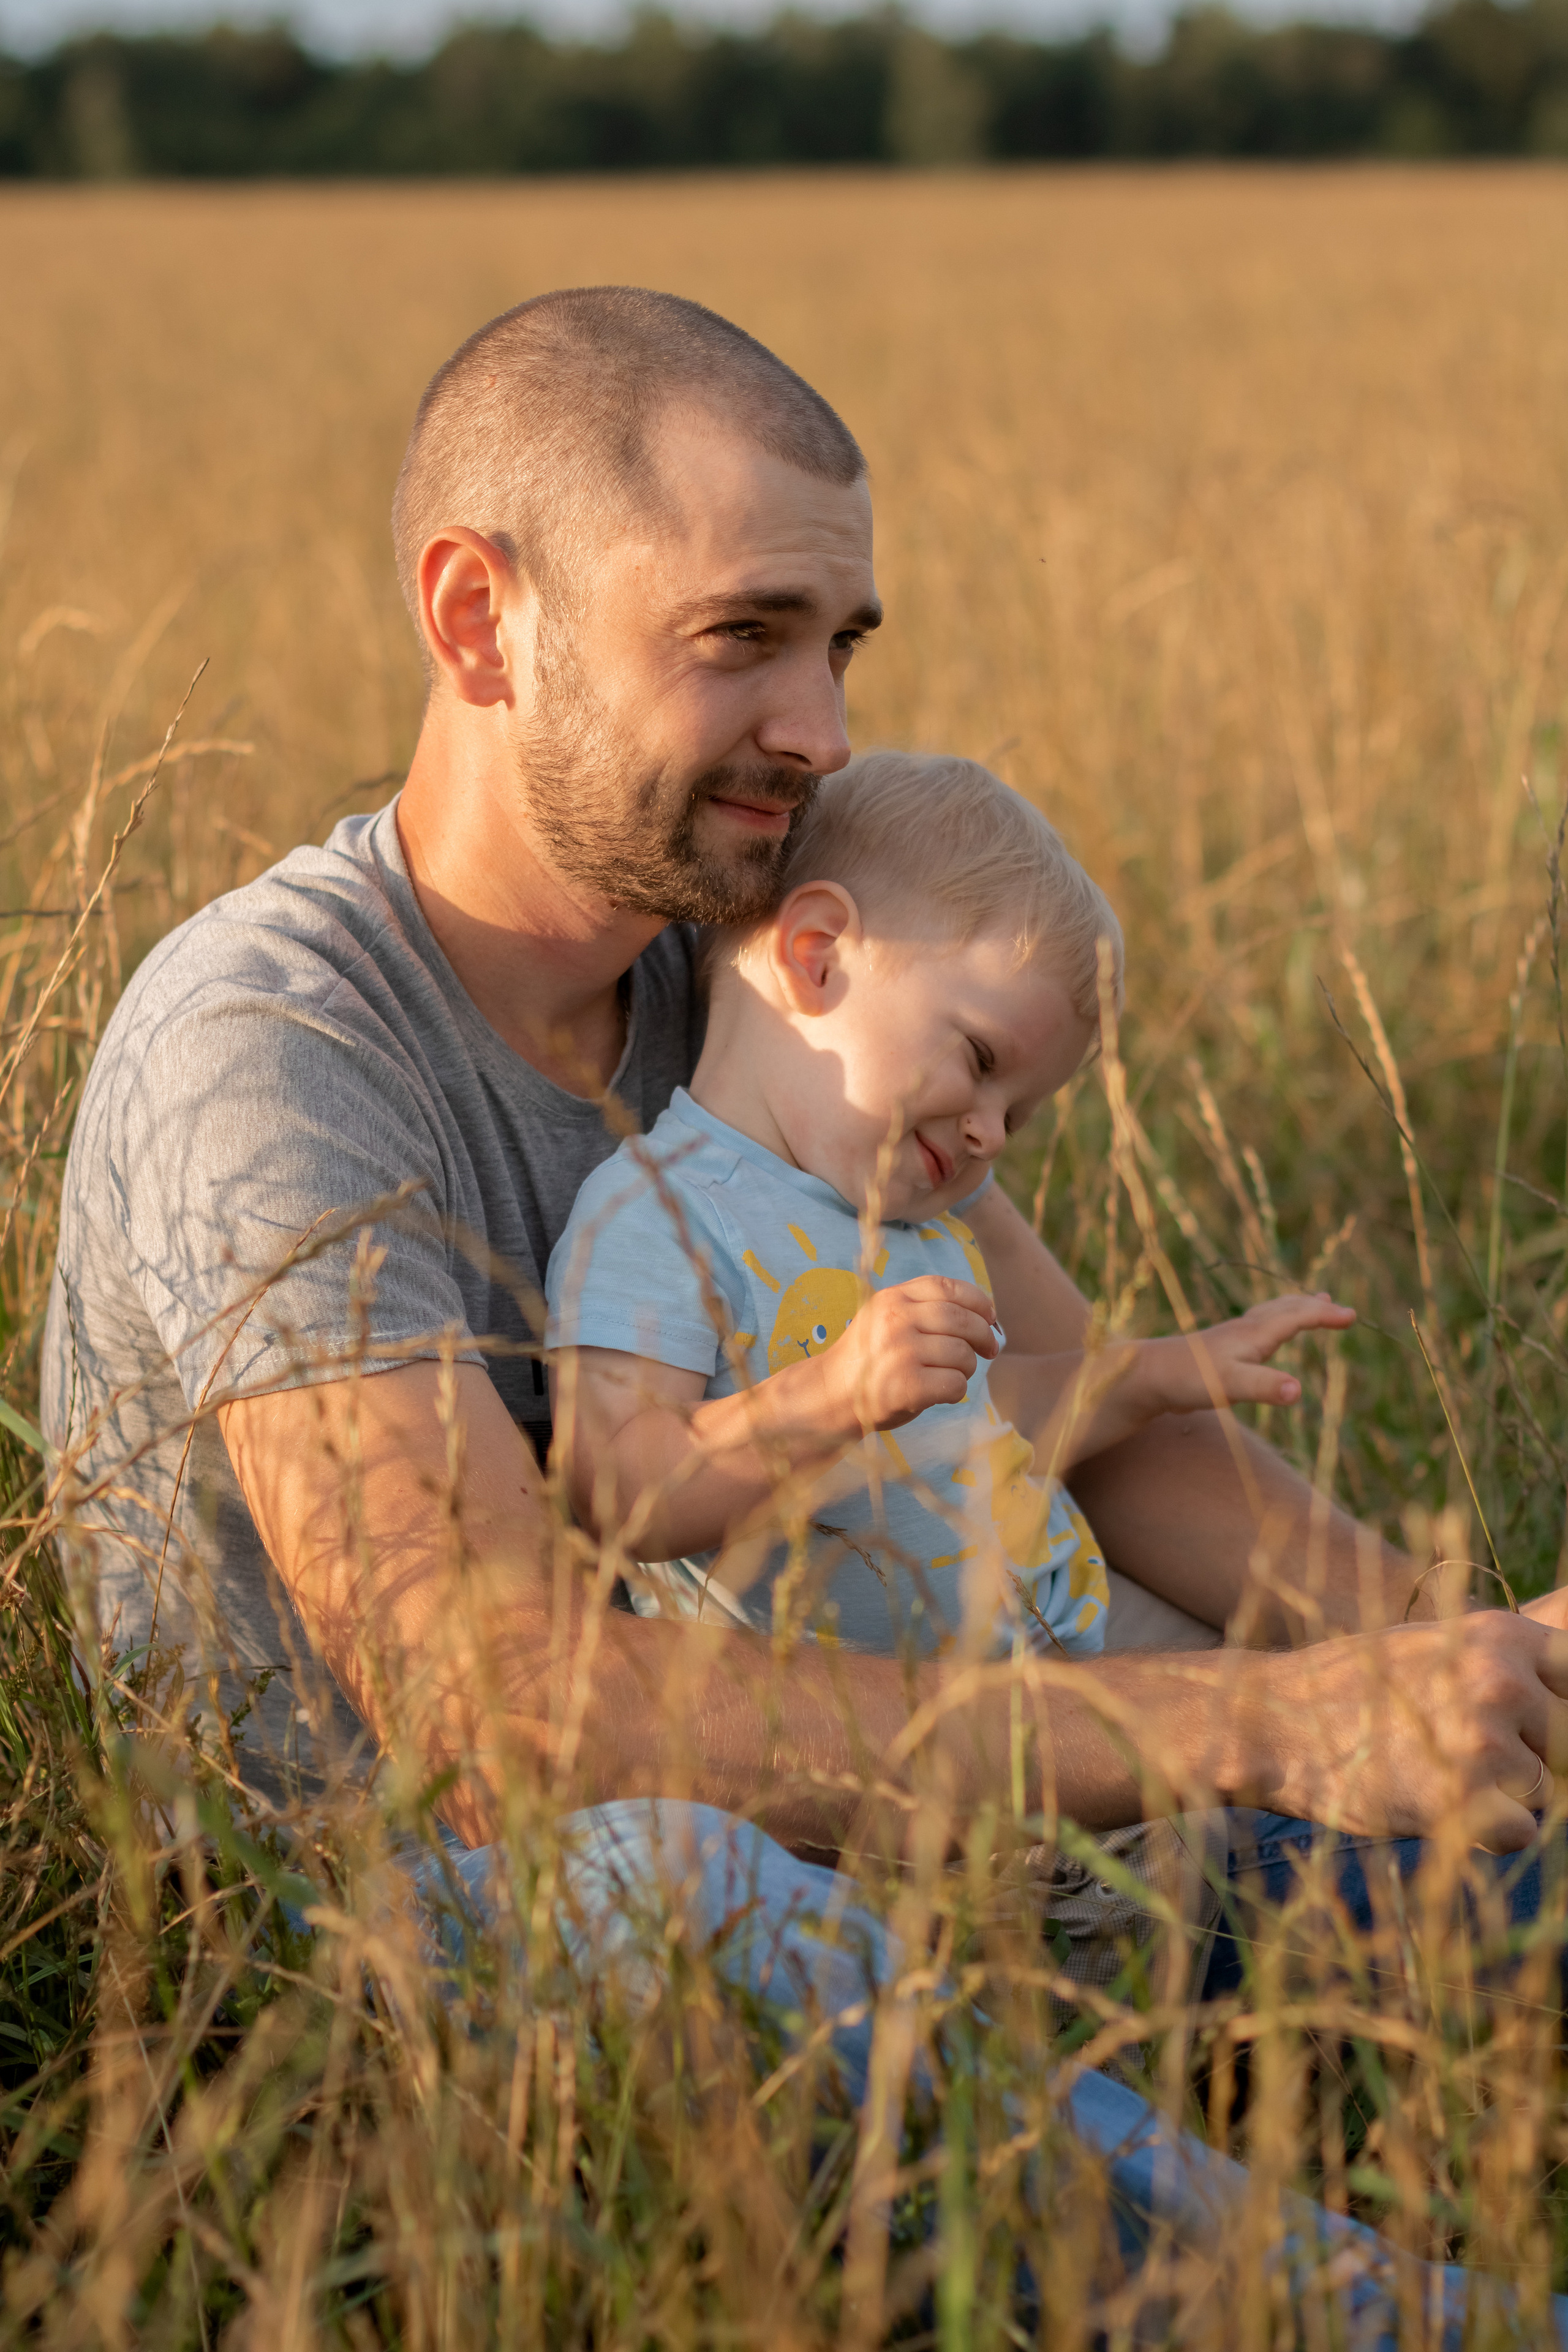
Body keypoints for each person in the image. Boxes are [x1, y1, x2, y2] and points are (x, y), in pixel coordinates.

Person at [43, 283, 1568, 1866]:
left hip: (863, 1800)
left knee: (1430, 1794)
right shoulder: (277, 1040)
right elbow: (493, 1725)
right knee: (683, 1876)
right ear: (480, 621)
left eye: (838, 646)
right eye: (742, 638)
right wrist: (1268, 1723)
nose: (826, 729)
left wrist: (1475, 1669)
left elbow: (1098, 1424)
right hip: (425, 1930)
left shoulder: (739, 972)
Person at [545, 748, 1355, 1672]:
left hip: (1071, 1632)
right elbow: (620, 1488)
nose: (992, 1136)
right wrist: (833, 1396)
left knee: (1306, 1704)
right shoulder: (659, 1213)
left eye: (1016, 1113)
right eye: (979, 1060)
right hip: (867, 1734)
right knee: (1285, 1748)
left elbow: (981, 1420)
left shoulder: (915, 1231)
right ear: (818, 958)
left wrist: (1153, 1376)